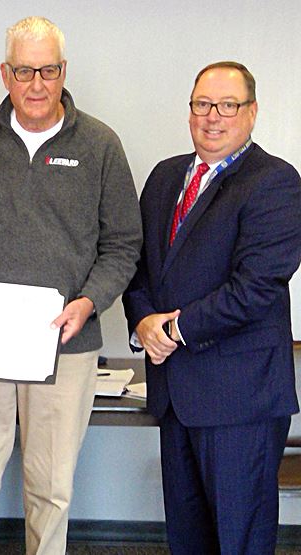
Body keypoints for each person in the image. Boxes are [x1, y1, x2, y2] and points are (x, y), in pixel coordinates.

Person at [0, 17, 142, 554]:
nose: (36, 84)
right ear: (5, 73)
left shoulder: (100, 145)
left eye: (47, 70)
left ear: (62, 71)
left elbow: (123, 243)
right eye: (24, 70)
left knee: (51, 492)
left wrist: (90, 302)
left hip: (63, 341)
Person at [123, 61, 301, 553]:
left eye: (228, 105)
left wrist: (173, 330)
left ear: (252, 112)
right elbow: (139, 267)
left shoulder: (276, 182)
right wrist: (143, 321)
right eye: (203, 104)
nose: (213, 117)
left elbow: (257, 287)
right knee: (188, 539)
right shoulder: (164, 177)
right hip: (175, 396)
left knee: (238, 541)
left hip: (239, 402)